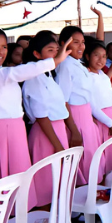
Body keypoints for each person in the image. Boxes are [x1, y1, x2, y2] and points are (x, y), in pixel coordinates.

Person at [0, 26, 69, 205]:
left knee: (20, 184)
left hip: (16, 131)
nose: (0, 51)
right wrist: (55, 60)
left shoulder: (0, 72)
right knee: (1, 186)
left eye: (4, 46)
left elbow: (15, 72)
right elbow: (15, 73)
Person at [21, 32, 73, 206]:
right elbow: (41, 116)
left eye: (57, 50)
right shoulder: (35, 77)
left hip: (56, 130)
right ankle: (45, 222)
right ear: (37, 54)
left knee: (58, 178)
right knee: (46, 181)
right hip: (46, 134)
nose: (56, 55)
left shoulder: (48, 75)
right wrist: (58, 145)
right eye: (50, 50)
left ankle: (59, 220)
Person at [55, 26, 103, 185]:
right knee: (83, 159)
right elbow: (63, 100)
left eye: (82, 42)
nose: (81, 46)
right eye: (76, 42)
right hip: (75, 117)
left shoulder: (77, 63)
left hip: (85, 115)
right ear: (64, 43)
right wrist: (74, 130)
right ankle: (83, 200)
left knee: (91, 156)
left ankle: (93, 197)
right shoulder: (65, 65)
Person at [84, 38, 112, 172]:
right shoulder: (86, 77)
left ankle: (110, 182)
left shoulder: (103, 75)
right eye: (96, 55)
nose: (101, 60)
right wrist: (110, 123)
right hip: (101, 120)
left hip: (111, 118)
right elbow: (92, 105)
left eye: (104, 56)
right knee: (101, 153)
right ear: (88, 56)